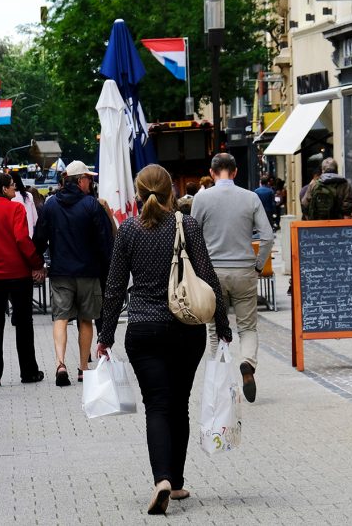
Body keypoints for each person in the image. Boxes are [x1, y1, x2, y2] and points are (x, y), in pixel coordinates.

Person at [97, 164, 231, 515]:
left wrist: (105, 335)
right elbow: (207, 276)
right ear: (171, 190)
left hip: (142, 330)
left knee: (156, 405)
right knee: (179, 404)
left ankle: (162, 480)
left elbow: (113, 289)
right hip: (186, 328)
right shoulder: (187, 225)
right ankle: (179, 480)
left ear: (138, 193)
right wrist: (222, 325)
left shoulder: (128, 230)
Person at [191, 153, 274, 403]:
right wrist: (258, 266)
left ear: (212, 172)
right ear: (236, 172)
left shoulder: (202, 198)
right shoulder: (250, 198)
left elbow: (192, 235)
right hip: (244, 272)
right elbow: (268, 236)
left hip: (212, 273)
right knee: (247, 327)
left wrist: (198, 270)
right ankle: (247, 363)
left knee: (216, 329)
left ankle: (221, 384)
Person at [33, 160, 114, 387]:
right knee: (85, 319)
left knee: (60, 318)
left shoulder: (50, 205)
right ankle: (83, 367)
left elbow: (39, 238)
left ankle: (60, 363)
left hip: (60, 272)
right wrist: (107, 271)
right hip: (89, 272)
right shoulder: (91, 205)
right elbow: (104, 242)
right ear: (80, 181)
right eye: (89, 178)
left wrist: (37, 261)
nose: (91, 181)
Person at [0, 172, 46, 387]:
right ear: (4, 189)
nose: (16, 189)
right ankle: (29, 371)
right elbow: (22, 239)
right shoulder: (16, 208)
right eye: (13, 186)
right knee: (24, 323)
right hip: (18, 274)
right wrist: (36, 263)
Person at [10, 170, 38, 238]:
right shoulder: (29, 196)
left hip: (14, 238)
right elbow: (35, 220)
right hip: (29, 236)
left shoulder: (9, 198)